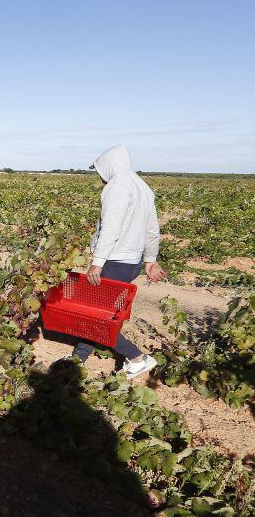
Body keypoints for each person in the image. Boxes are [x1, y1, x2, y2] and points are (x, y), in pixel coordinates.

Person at [74, 145, 166, 378]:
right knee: (98, 310)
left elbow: (111, 227)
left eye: (99, 169)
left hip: (114, 260)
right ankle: (78, 358)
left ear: (108, 165)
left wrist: (98, 261)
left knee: (96, 316)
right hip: (131, 261)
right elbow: (152, 229)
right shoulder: (143, 187)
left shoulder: (117, 187)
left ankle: (136, 357)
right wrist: (150, 260)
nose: (99, 175)